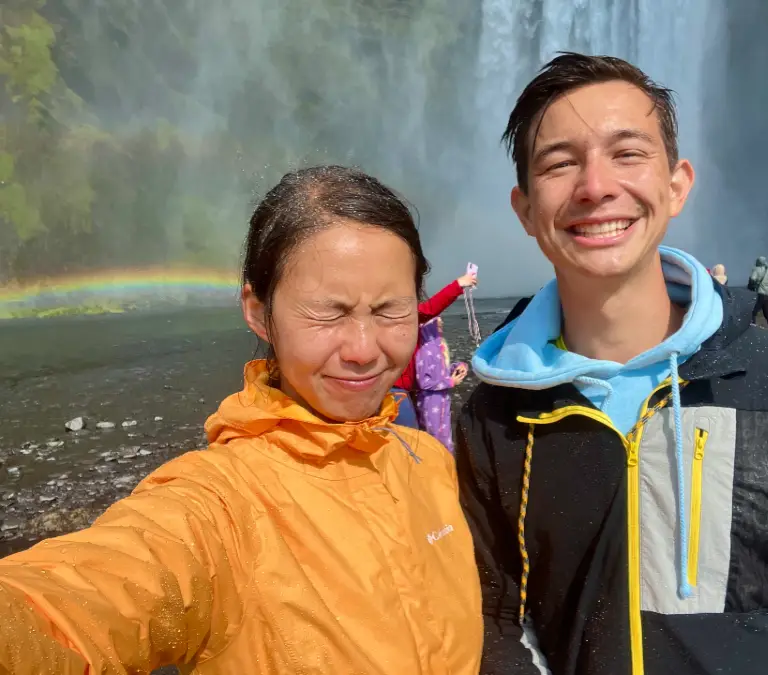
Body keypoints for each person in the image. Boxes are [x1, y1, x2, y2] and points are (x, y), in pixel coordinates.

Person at [455, 52, 768, 675]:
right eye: (559, 163)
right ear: (524, 209)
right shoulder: (495, 415)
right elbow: (493, 618)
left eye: (628, 153)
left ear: (677, 185)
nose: (596, 186)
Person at [0, 166, 483, 674]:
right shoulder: (217, 506)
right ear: (258, 312)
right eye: (328, 312)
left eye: (389, 310)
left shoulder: (428, 461)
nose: (364, 350)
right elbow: (77, 601)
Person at [391, 271, 477, 428]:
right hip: (395, 388)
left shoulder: (426, 343)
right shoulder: (399, 317)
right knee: (410, 435)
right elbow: (430, 309)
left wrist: (457, 366)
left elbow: (434, 368)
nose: (440, 322)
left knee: (414, 433)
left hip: (407, 388)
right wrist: (458, 284)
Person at [414, 316, 469, 453]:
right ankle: (437, 466)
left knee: (445, 435)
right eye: (437, 325)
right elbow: (424, 383)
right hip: (431, 401)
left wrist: (458, 367)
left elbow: (442, 371)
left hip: (443, 399)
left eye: (441, 324)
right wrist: (450, 382)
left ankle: (447, 464)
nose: (441, 326)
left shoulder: (439, 347)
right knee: (434, 436)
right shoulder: (425, 351)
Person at [748, 255, 768, 329]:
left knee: (753, 312)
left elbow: (753, 279)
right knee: (767, 313)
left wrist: (755, 284)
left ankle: (753, 327)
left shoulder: (756, 269)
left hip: (760, 294)